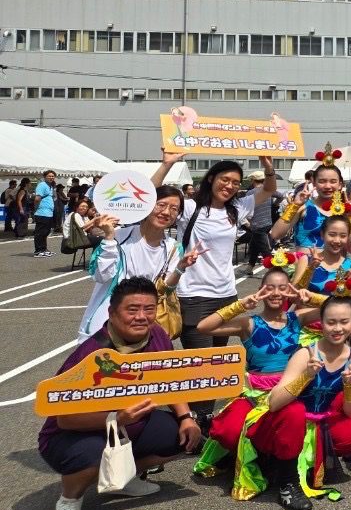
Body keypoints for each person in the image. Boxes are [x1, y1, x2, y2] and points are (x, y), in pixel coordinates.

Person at [39, 277, 204, 510]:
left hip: (130, 424)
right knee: (93, 455)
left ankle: (124, 478)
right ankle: (69, 499)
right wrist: (116, 417)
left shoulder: (158, 334)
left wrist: (186, 417)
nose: (141, 316)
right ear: (112, 313)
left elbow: (169, 382)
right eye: (132, 309)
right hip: (74, 433)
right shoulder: (91, 354)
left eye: (149, 309)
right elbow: (65, 419)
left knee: (183, 437)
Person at [152, 152, 278, 427]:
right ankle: (195, 417)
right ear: (211, 179)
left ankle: (204, 415)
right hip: (192, 294)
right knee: (200, 361)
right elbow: (150, 196)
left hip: (225, 294)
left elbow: (269, 189)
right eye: (225, 179)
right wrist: (168, 163)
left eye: (235, 182)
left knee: (217, 361)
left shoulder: (238, 208)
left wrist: (268, 165)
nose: (230, 185)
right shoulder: (189, 207)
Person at [190, 268, 321, 481]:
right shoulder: (249, 323)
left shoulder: (297, 319)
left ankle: (272, 459)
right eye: (269, 288)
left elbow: (341, 308)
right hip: (253, 392)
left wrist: (308, 296)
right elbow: (204, 327)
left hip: (287, 389)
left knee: (289, 424)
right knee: (228, 432)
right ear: (260, 291)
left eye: (282, 288)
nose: (276, 293)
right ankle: (251, 453)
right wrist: (240, 305)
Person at [243, 296, 351, 510]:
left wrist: (349, 384)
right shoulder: (305, 354)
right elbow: (274, 403)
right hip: (285, 422)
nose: (338, 328)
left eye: (344, 321)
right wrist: (306, 376)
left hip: (319, 424)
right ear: (321, 321)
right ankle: (288, 481)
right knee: (295, 411)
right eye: (331, 322)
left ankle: (306, 462)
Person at [77, 186, 198, 341]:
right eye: (161, 205)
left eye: (174, 209)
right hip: (107, 323)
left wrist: (180, 268)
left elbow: (165, 290)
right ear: (146, 206)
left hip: (145, 324)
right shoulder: (119, 236)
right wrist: (108, 238)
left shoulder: (173, 247)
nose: (167, 212)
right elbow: (101, 275)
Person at [270, 151, 348, 249]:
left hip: (337, 263)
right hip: (306, 263)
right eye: (322, 181)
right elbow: (275, 234)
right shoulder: (303, 207)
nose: (328, 186)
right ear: (314, 183)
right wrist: (295, 205)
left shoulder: (345, 210)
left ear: (340, 184)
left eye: (333, 181)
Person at [244, 171, 283, 267]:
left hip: (257, 224)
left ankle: (274, 270)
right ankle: (250, 268)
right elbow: (281, 196)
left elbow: (246, 208)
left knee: (265, 250)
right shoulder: (268, 190)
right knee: (254, 246)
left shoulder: (250, 192)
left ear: (253, 180)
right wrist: (274, 204)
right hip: (268, 222)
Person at [32, 168, 57, 258]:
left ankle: (44, 249)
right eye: (49, 176)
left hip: (48, 213)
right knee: (40, 232)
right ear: (45, 177)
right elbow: (37, 198)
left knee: (45, 232)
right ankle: (38, 251)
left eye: (53, 176)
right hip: (42, 213)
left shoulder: (49, 185)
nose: (51, 177)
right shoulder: (42, 185)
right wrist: (35, 209)